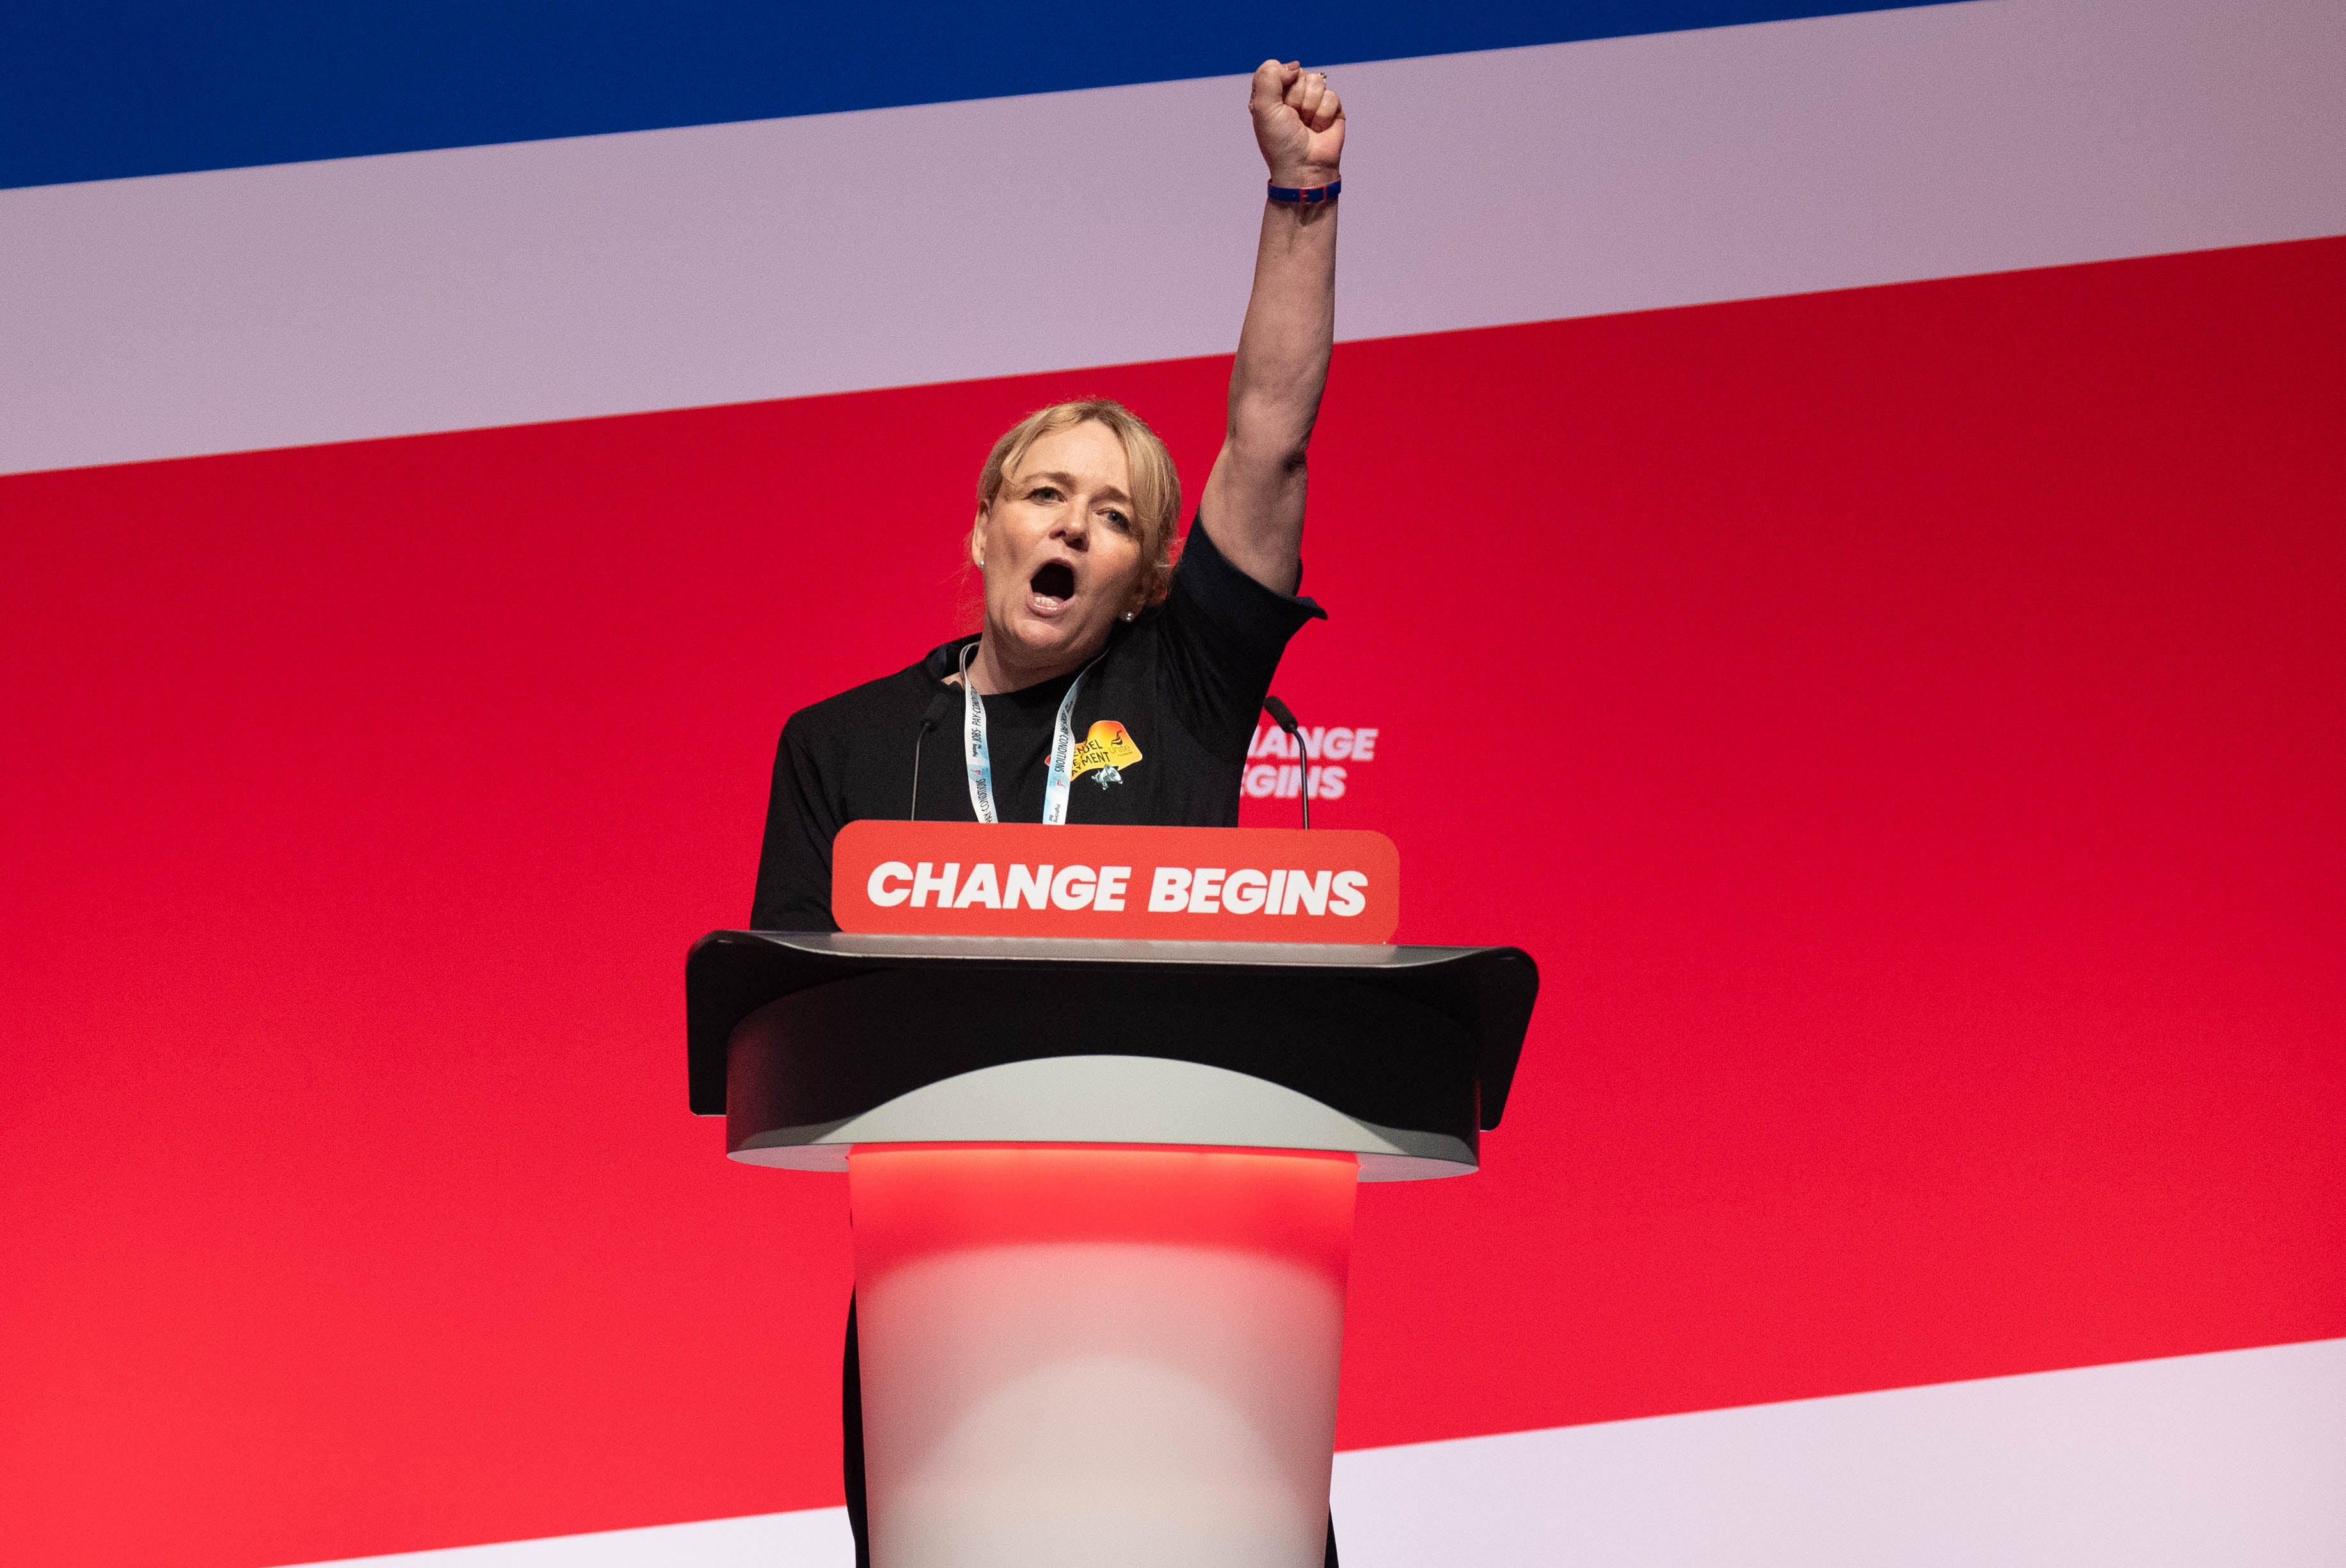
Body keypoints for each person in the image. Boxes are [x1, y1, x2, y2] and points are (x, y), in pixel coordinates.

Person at [750, 58, 1346, 1567]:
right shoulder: (842, 744)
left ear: (1151, 570)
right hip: (950, 1288)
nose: (1074, 522)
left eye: (1118, 509)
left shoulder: (1189, 679)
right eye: (1044, 492)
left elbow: (1268, 430)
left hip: (1194, 1269)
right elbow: (786, 1042)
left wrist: (1301, 195)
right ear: (983, 522)